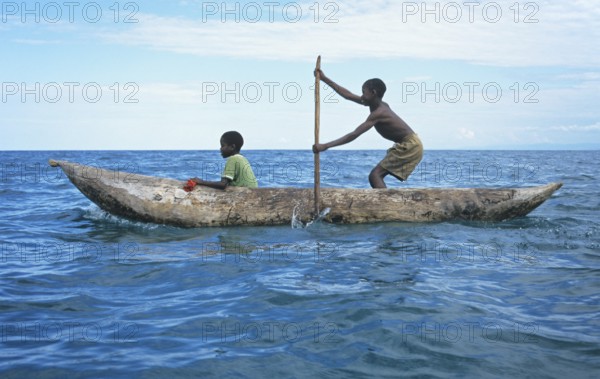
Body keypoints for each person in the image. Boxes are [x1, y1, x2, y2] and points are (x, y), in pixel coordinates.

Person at [312, 69, 423, 188]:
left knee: (375, 175)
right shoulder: (377, 105)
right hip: (412, 144)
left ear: (373, 93)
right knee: (377, 175)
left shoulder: (379, 112)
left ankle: (384, 204)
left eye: (363, 92)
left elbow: (354, 134)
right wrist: (324, 78)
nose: (361, 96)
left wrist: (325, 146)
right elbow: (347, 95)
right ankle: (385, 202)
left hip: (410, 145)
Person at [186, 131, 258, 190]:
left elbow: (223, 184)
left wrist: (200, 181)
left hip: (243, 195)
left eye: (223, 146)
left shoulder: (233, 159)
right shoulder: (243, 158)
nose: (220, 149)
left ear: (232, 147)